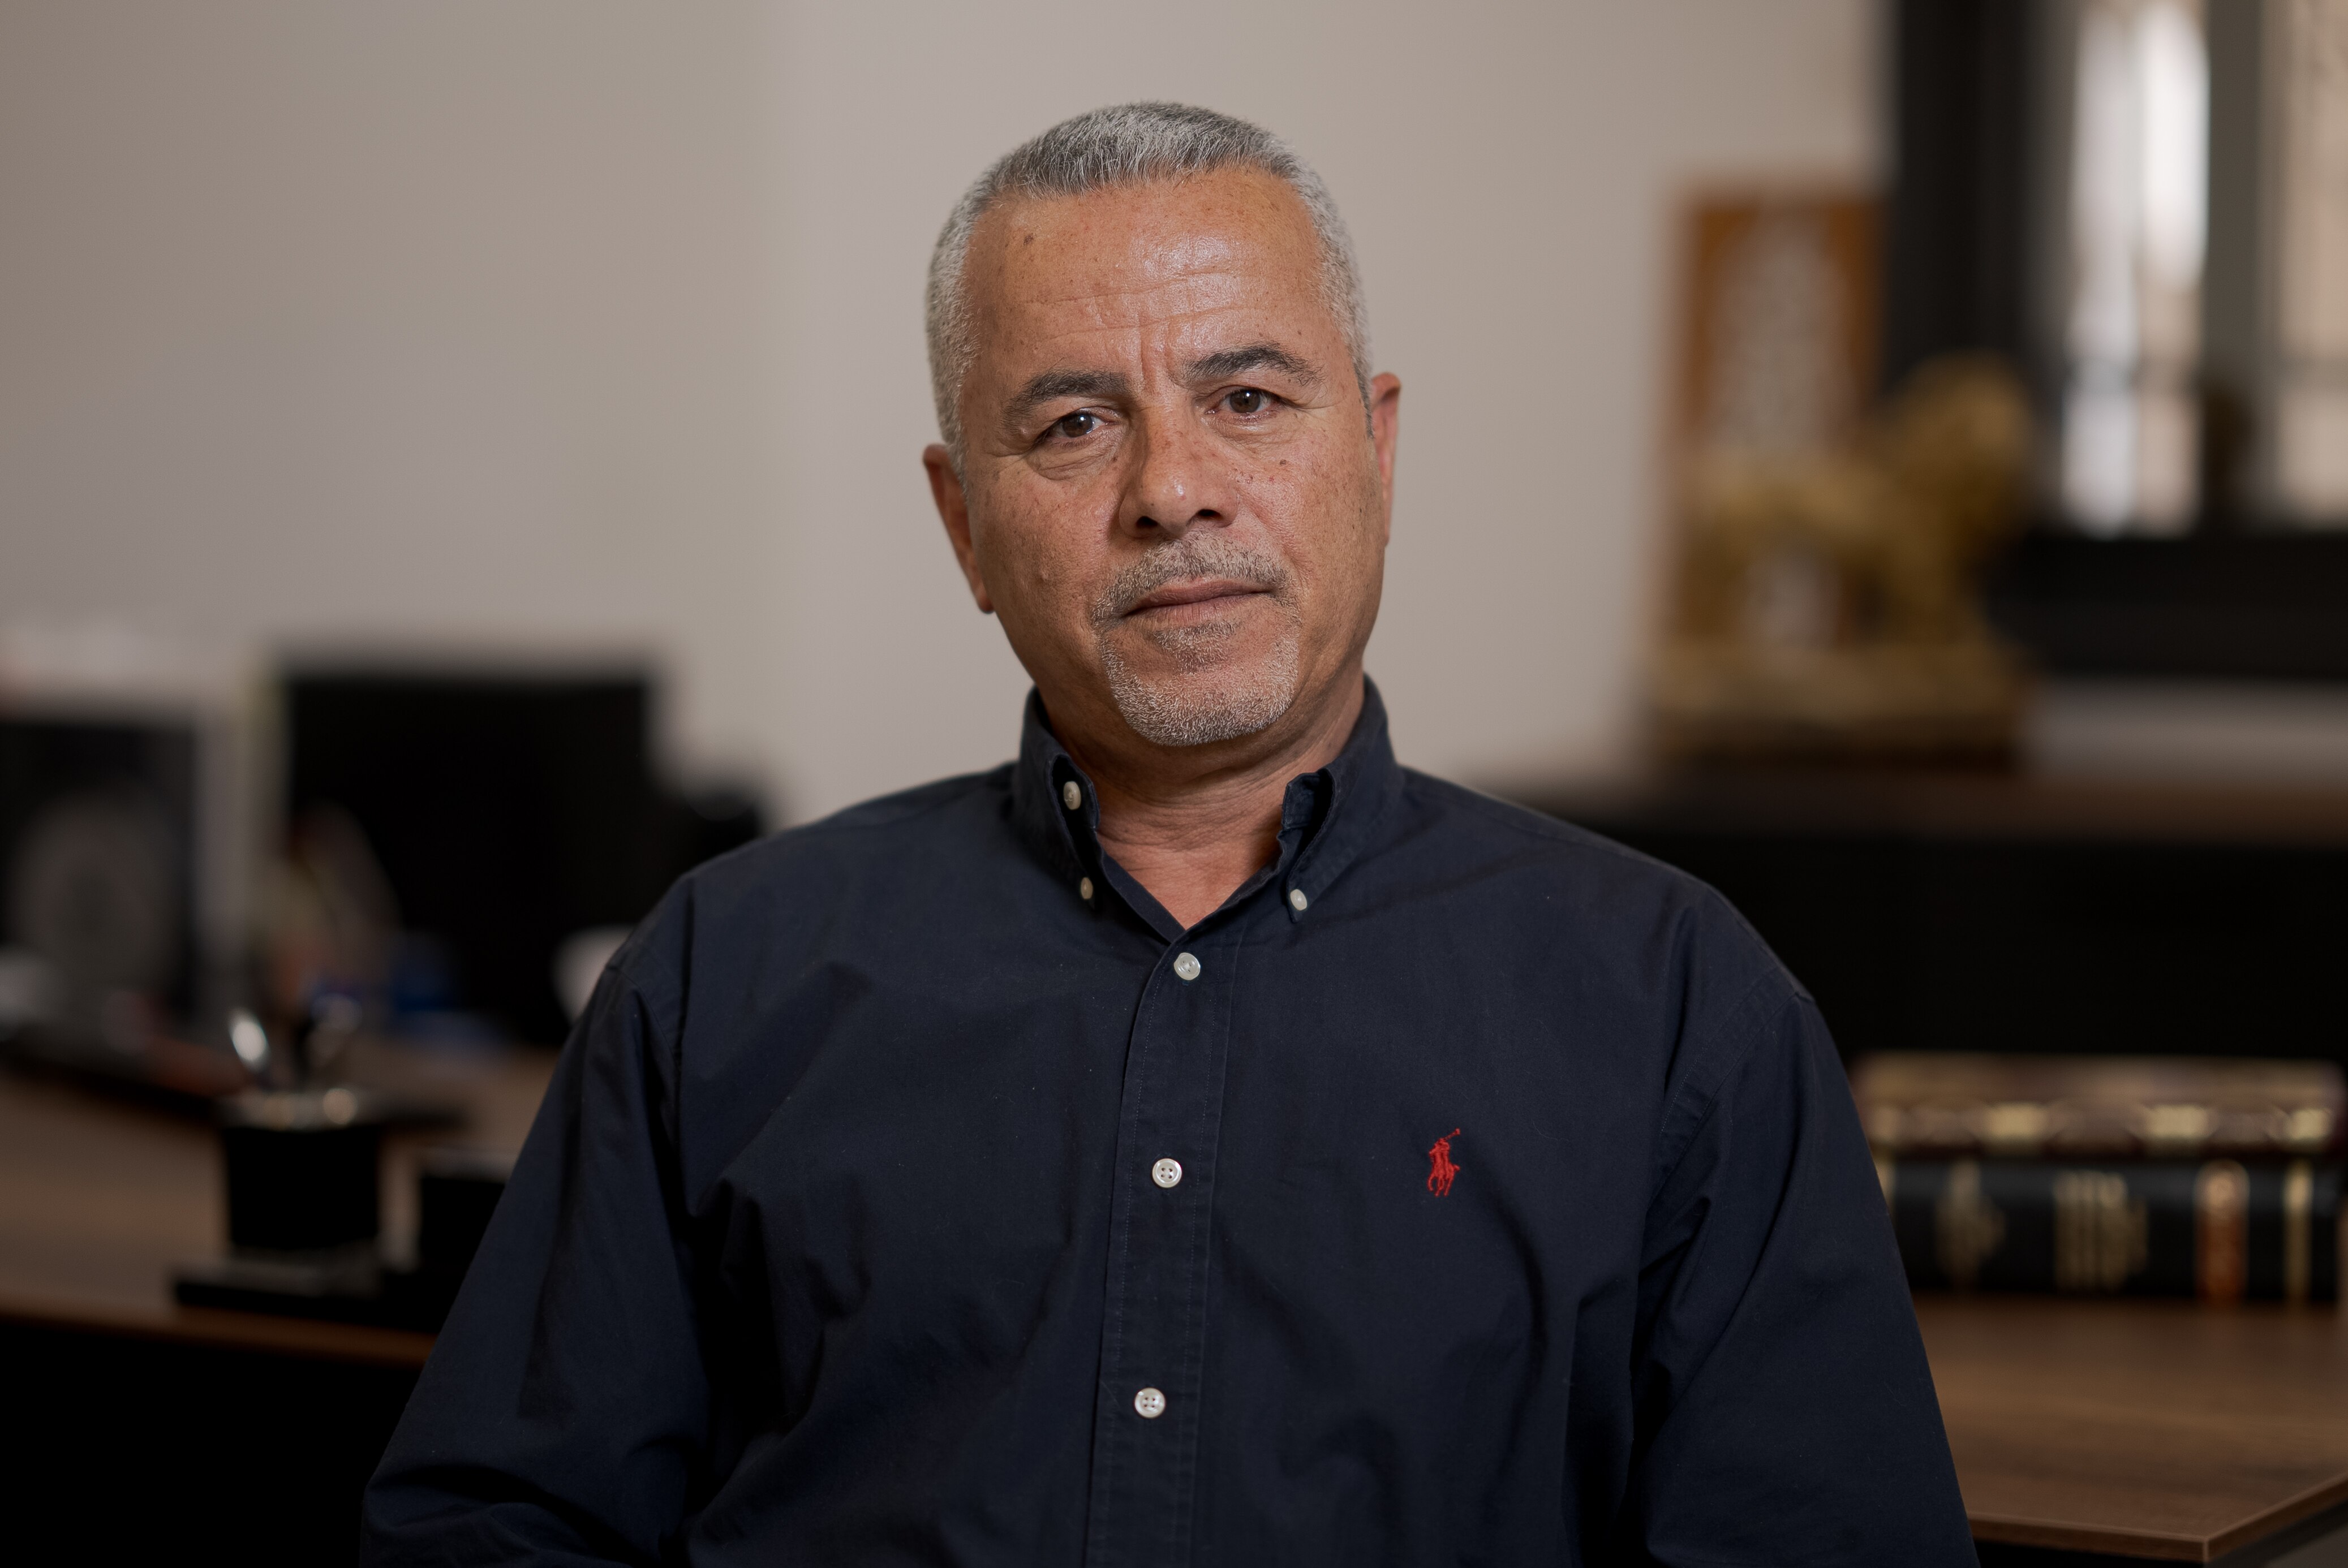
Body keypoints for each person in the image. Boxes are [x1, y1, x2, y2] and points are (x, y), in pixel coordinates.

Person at [363, 102, 1973, 1565]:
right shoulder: (722, 976)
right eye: (1073, 425)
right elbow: (493, 1531)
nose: (1171, 489)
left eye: (1248, 396)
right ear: (961, 525)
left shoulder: (1681, 1010)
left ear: (1378, 448)